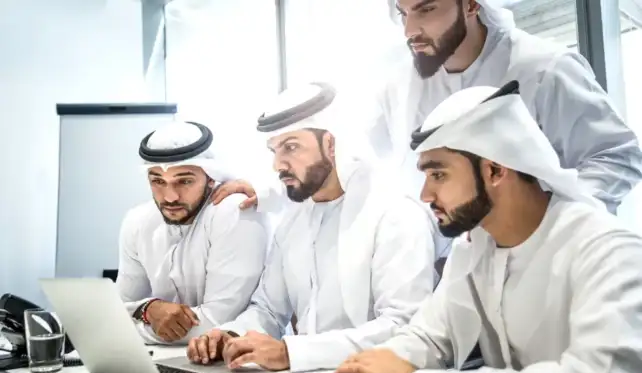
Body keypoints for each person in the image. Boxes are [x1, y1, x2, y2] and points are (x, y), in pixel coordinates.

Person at [310, 81, 642, 373]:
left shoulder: (610, 252)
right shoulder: (473, 249)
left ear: (495, 170)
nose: (425, 195)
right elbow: (427, 336)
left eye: (438, 175)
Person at [212, 0, 641, 216]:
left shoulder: (544, 68)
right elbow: (355, 157)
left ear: (471, 4)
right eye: (402, 13)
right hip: (452, 271)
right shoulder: (402, 83)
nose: (411, 30)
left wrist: (549, 225)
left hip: (547, 269)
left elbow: (617, 157)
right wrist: (271, 192)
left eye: (427, 9)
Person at [186, 82, 438, 373]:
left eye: (291, 147)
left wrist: (292, 352)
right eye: (274, 151)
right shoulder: (293, 220)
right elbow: (268, 309)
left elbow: (402, 327)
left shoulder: (395, 214)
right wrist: (230, 335)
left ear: (331, 144)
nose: (278, 165)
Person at [116, 121, 268, 345]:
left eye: (184, 181)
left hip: (236, 358)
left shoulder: (233, 211)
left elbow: (217, 322)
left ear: (210, 178)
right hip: (159, 357)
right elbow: (120, 308)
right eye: (158, 181)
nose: (170, 197)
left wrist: (131, 327)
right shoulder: (137, 221)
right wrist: (148, 309)